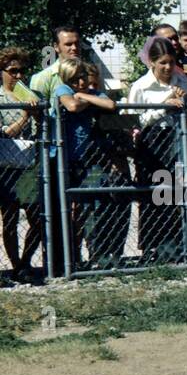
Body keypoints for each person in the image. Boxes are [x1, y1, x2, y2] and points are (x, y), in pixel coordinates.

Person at [129, 36, 187, 259]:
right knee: (153, 193)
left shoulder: (181, 81)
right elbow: (133, 120)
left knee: (177, 193)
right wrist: (164, 105)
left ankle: (174, 244)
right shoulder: (141, 86)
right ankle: (150, 245)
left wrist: (184, 106)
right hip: (151, 141)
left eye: (171, 62)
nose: (168, 67)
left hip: (178, 138)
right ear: (152, 63)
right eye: (162, 63)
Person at [50, 58, 117, 272]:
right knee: (65, 209)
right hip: (63, 158)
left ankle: (88, 254)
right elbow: (71, 105)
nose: (81, 81)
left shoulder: (89, 92)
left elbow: (110, 104)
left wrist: (84, 96)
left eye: (83, 76)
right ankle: (67, 257)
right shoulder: (62, 88)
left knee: (85, 209)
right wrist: (82, 98)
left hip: (86, 158)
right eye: (76, 78)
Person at [0, 47, 43, 280]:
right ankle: (15, 263)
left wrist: (35, 114)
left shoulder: (30, 94)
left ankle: (24, 262)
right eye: (13, 71)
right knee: (10, 219)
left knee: (37, 218)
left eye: (22, 71)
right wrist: (25, 116)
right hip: (6, 166)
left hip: (28, 164)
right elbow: (4, 133)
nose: (18, 76)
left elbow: (40, 129)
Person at [30, 24, 82, 100]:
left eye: (77, 43)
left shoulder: (89, 73)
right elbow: (35, 110)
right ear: (56, 47)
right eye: (68, 44)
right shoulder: (43, 77)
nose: (74, 48)